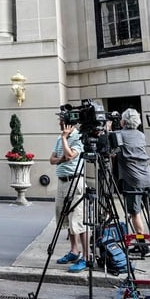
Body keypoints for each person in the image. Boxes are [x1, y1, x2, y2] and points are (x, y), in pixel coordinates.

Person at [112, 109, 150, 251]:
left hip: (132, 179)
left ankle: (141, 243)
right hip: (148, 178)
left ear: (123, 121)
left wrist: (108, 130)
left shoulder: (119, 135)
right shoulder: (141, 135)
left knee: (135, 212)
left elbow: (111, 154)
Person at [50, 110, 88, 273]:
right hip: (62, 181)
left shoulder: (77, 137)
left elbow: (71, 155)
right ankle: (74, 251)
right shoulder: (59, 138)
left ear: (68, 123)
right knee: (65, 218)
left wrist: (65, 139)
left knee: (78, 220)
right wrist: (61, 159)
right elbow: (52, 160)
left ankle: (86, 256)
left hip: (75, 180)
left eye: (61, 121)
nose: (59, 123)